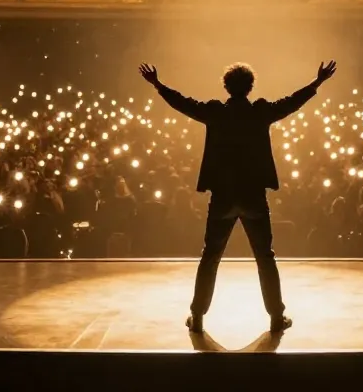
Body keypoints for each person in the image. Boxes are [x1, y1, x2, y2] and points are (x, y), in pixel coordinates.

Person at [140, 60, 337, 335]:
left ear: (226, 87)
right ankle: (276, 317)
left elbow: (184, 104)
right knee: (265, 258)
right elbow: (291, 103)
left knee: (210, 257)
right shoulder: (260, 112)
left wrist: (158, 85)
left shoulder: (216, 113)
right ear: (250, 87)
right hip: (253, 195)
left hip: (223, 196)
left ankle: (197, 316)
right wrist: (317, 82)